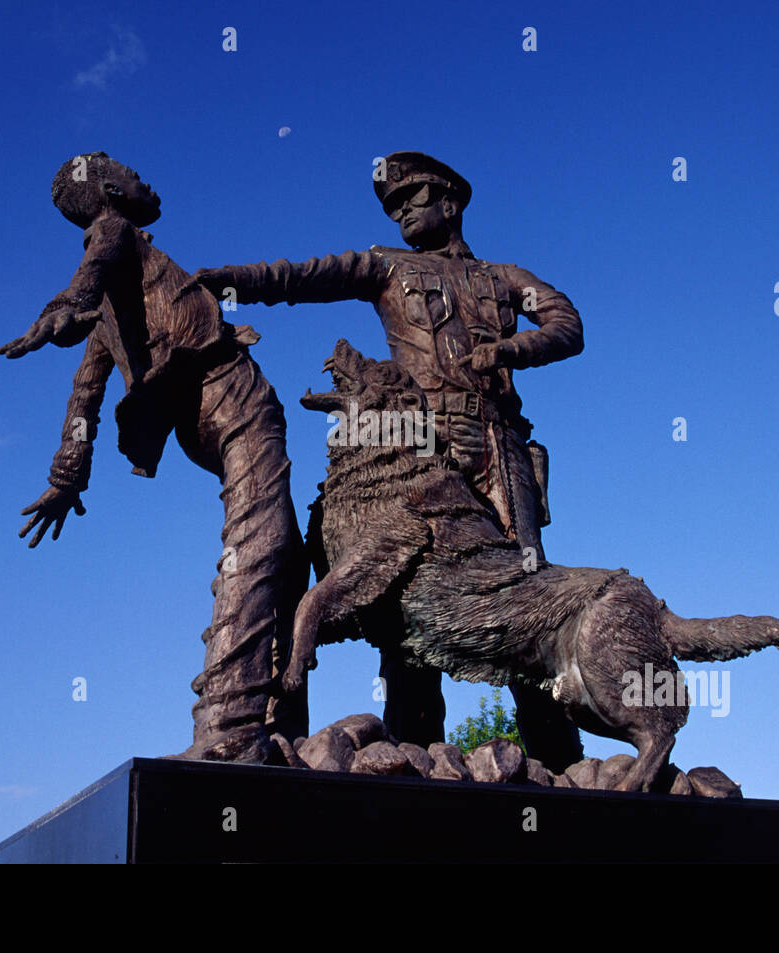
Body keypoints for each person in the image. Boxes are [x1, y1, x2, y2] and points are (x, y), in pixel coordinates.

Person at [189, 151, 586, 771]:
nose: (402, 211)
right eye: (394, 205)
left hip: (498, 452)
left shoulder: (507, 277)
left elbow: (567, 325)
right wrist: (224, 281)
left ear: (450, 202)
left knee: (530, 597)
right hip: (419, 445)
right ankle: (419, 759)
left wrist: (511, 348)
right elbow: (303, 276)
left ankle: (560, 766)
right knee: (409, 595)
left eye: (413, 199)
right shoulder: (385, 267)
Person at [0, 152, 307, 763]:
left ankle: (281, 724)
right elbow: (96, 264)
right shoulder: (113, 237)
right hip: (229, 395)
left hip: (204, 417)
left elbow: (84, 395)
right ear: (111, 188)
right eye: (130, 170)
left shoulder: (115, 307)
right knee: (261, 539)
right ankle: (232, 719)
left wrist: (67, 474)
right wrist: (62, 306)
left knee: (285, 556)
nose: (146, 176)